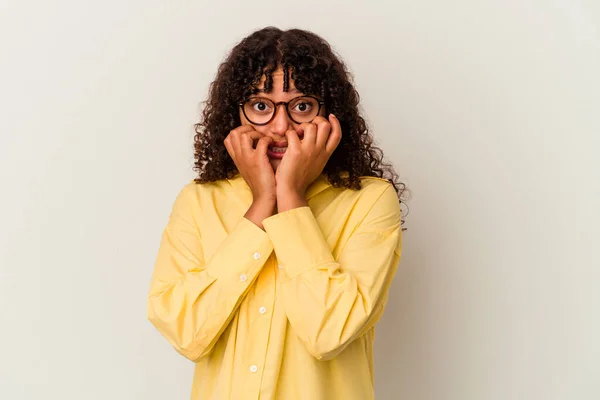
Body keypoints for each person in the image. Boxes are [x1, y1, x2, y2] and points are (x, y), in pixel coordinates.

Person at [147, 26, 407, 400]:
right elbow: (186, 332)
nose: (281, 127)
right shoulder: (199, 201)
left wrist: (289, 195)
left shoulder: (369, 201)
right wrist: (261, 204)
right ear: (235, 114)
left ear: (330, 113)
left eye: (301, 106)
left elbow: (329, 330)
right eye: (261, 106)